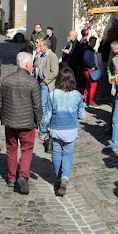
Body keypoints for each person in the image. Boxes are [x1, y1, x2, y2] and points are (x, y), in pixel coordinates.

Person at [0, 52, 42, 195]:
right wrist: (38, 121)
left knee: (11, 149)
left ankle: (11, 178)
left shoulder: (6, 80)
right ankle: (23, 175)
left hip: (10, 121)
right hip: (27, 123)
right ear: (27, 65)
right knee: (27, 149)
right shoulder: (32, 82)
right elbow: (37, 106)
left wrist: (2, 116)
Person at [40, 67, 85, 197]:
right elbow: (82, 115)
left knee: (56, 153)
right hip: (70, 130)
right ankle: (65, 177)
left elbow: (47, 115)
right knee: (68, 154)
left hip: (56, 129)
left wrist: (42, 130)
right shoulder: (77, 95)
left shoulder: (53, 94)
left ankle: (59, 177)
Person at [38, 38, 59, 139]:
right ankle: (43, 125)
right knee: (43, 106)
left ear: (46, 46)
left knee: (46, 106)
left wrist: (45, 81)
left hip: (47, 85)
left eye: (41, 45)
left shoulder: (52, 56)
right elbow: (36, 66)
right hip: (41, 84)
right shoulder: (42, 56)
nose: (39, 47)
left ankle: (44, 127)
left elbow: (55, 72)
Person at [82, 36, 99, 108]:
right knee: (93, 84)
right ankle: (91, 102)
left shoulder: (90, 49)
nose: (94, 43)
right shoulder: (88, 50)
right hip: (89, 69)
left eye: (95, 42)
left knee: (88, 85)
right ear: (90, 41)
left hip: (87, 69)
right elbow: (85, 58)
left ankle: (86, 100)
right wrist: (91, 66)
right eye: (93, 41)